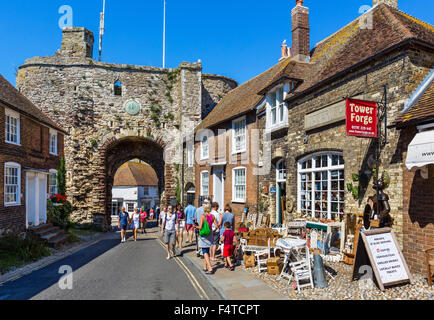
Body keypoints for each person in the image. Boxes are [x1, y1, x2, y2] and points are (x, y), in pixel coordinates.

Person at [195, 204, 217, 274]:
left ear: (204, 209)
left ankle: (210, 268)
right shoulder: (212, 216)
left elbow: (200, 227)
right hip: (210, 235)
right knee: (207, 250)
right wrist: (213, 231)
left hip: (204, 235)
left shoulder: (202, 216)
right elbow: (216, 226)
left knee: (204, 251)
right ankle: (205, 267)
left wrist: (195, 226)